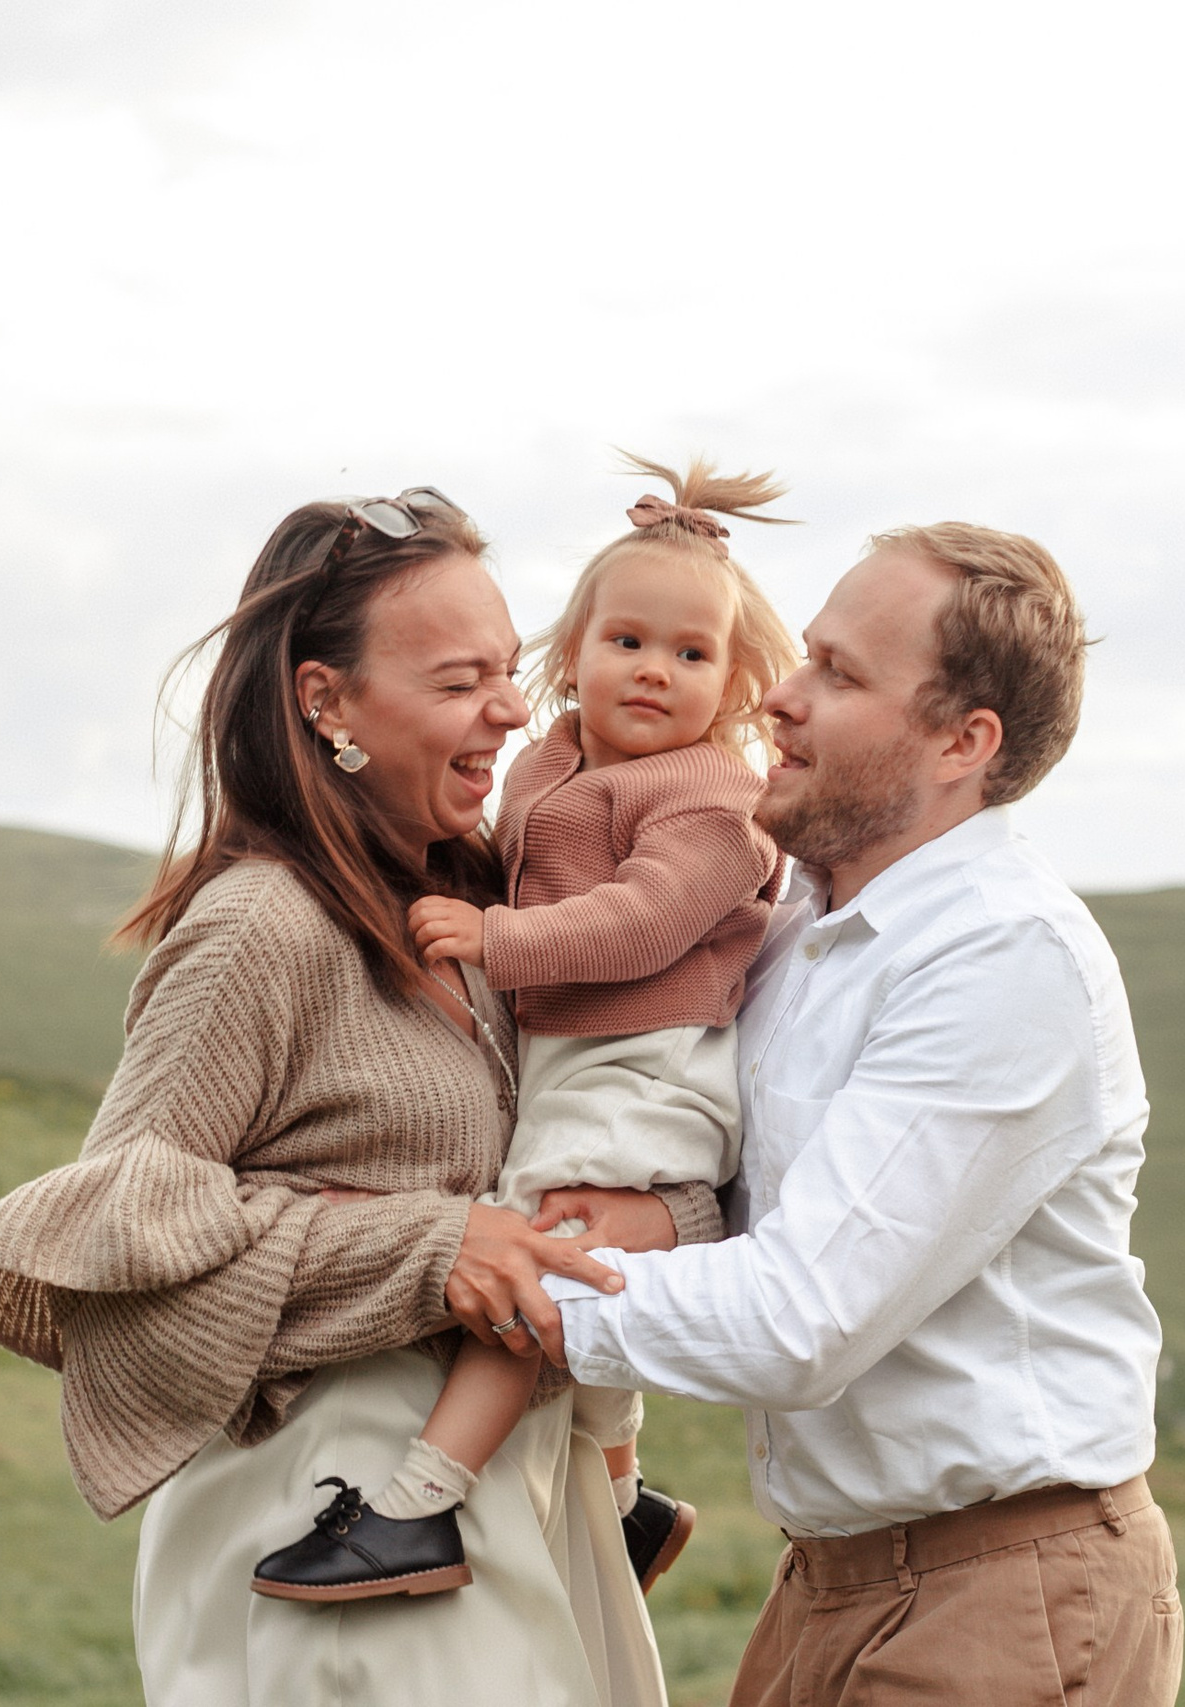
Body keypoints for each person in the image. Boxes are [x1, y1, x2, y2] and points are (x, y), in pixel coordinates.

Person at [0, 487, 720, 1707]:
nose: (512, 709)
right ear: (325, 701)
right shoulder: (262, 925)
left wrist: (662, 1222)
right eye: (461, 681)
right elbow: (119, 1241)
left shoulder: (492, 913)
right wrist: (426, 1241)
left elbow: (631, 1130)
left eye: (508, 672)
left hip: (493, 1506)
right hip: (332, 1520)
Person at [536, 523, 1185, 1706]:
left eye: (838, 673)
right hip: (829, 1582)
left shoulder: (1001, 954)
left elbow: (798, 1318)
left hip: (1000, 1592)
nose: (777, 697)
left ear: (960, 742)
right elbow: (750, 1200)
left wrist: (486, 1281)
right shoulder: (794, 921)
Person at [253, 458, 799, 1603]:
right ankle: (620, 1492)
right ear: (576, 650)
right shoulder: (555, 756)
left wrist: (497, 942)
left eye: (693, 656)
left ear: (736, 683)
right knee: (581, 1257)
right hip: (578, 1055)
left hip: (648, 1060)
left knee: (541, 1245)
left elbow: (637, 924)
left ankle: (421, 1503)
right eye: (628, 642)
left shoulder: (710, 800)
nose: (655, 673)